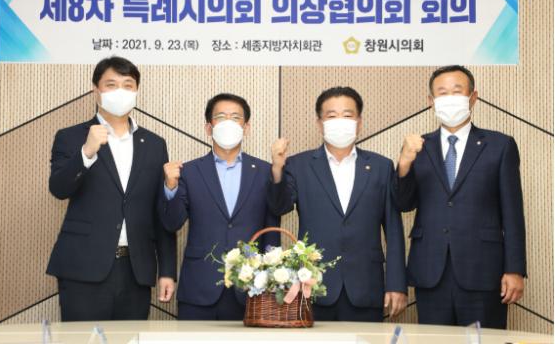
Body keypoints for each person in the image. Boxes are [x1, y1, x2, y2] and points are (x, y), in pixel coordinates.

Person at [395, 65, 526, 329]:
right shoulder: (418, 146)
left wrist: (515, 269)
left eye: (457, 91)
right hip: (431, 270)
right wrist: (404, 163)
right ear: (431, 101)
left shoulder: (500, 146)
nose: (450, 98)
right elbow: (403, 203)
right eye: (442, 93)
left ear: (473, 97)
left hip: (483, 271)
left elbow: (513, 212)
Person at [47, 56, 176, 321]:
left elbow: (159, 210)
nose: (120, 91)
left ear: (136, 91)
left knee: (129, 338)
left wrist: (167, 270)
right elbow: (59, 189)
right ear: (96, 90)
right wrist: (86, 152)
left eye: (128, 85)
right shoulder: (71, 136)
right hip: (83, 266)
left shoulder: (154, 144)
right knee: (82, 340)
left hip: (136, 270)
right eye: (111, 84)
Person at [268, 86, 407, 322]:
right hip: (312, 286)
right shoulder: (299, 165)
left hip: (366, 287)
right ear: (320, 123)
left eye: (348, 115)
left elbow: (394, 229)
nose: (340, 121)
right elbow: (279, 207)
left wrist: (397, 284)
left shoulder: (381, 166)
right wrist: (277, 169)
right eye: (332, 116)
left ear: (359, 122)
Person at [160, 93, 279, 320]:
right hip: (199, 289)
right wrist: (170, 187)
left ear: (246, 127)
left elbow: (271, 231)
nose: (228, 123)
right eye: (221, 117)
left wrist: (272, 281)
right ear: (209, 127)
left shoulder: (265, 172)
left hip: (251, 289)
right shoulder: (189, 172)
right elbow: (171, 223)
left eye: (235, 117)